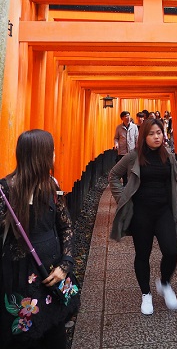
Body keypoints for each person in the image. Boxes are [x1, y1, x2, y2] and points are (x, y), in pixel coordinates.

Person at [0, 129, 77, 349]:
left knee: (55, 336)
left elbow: (66, 226)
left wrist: (66, 264)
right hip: (19, 277)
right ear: (39, 155)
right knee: (25, 340)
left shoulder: (51, 185)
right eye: (51, 151)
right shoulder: (5, 190)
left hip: (51, 272)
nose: (54, 155)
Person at [109, 118, 177, 316]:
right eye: (152, 133)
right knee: (142, 255)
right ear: (144, 136)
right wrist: (123, 199)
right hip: (141, 213)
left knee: (171, 251)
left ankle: (164, 283)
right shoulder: (133, 156)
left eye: (159, 133)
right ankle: (146, 294)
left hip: (163, 212)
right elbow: (113, 175)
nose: (157, 137)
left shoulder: (168, 157)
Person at [114, 111, 138, 184]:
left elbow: (137, 137)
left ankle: (131, 183)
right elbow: (116, 138)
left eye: (129, 116)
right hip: (122, 151)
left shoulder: (134, 127)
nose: (128, 117)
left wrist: (138, 147)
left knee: (131, 167)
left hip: (132, 150)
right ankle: (125, 182)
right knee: (123, 168)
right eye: (126, 116)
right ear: (122, 118)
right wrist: (116, 144)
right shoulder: (119, 127)